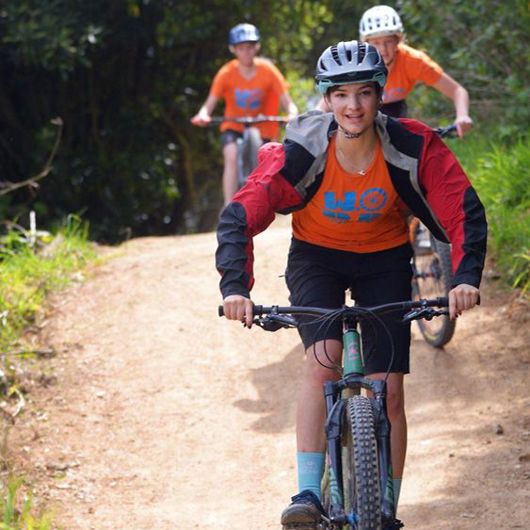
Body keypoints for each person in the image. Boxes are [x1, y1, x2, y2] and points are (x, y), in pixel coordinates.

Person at [216, 40, 487, 530]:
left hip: (384, 259)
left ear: (381, 95)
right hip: (316, 259)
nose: (354, 105)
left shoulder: (411, 144)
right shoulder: (300, 149)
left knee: (390, 390)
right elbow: (240, 215)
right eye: (341, 94)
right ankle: (306, 494)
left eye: (364, 92)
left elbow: (461, 207)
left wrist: (464, 279)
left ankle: (387, 507)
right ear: (326, 99)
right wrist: (236, 287)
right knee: (323, 365)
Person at [318, 5, 472, 138]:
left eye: (388, 42)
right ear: (366, 43)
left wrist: (462, 115)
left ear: (398, 41)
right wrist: (313, 119)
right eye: (376, 43)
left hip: (394, 112)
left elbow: (458, 90)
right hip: (357, 113)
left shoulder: (414, 61)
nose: (383, 49)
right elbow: (330, 100)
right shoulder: (358, 62)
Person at [191, 23, 298, 205]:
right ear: (233, 49)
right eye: (241, 48)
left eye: (250, 47)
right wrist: (203, 115)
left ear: (257, 47)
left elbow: (288, 102)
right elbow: (209, 104)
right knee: (231, 155)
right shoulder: (226, 73)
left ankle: (266, 203)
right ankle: (228, 206)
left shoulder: (268, 71)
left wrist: (293, 114)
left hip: (264, 126)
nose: (246, 52)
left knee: (270, 161)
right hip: (234, 125)